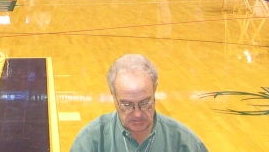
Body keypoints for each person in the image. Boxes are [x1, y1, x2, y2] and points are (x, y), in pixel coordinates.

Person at [70, 53, 208, 152]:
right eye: (127, 105)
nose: (137, 114)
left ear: (154, 92)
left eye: (145, 103)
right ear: (114, 97)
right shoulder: (89, 142)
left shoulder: (186, 143)